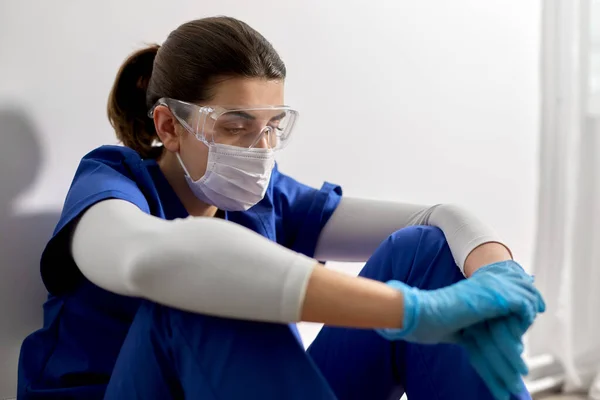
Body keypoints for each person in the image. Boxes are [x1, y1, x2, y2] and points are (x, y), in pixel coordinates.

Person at [17, 16, 544, 400]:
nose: (260, 147)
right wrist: (414, 313)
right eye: (235, 125)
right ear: (168, 127)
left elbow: (435, 219)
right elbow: (153, 262)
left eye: (272, 125)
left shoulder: (264, 201)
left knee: (423, 253)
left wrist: (499, 278)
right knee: (201, 292)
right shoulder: (112, 184)